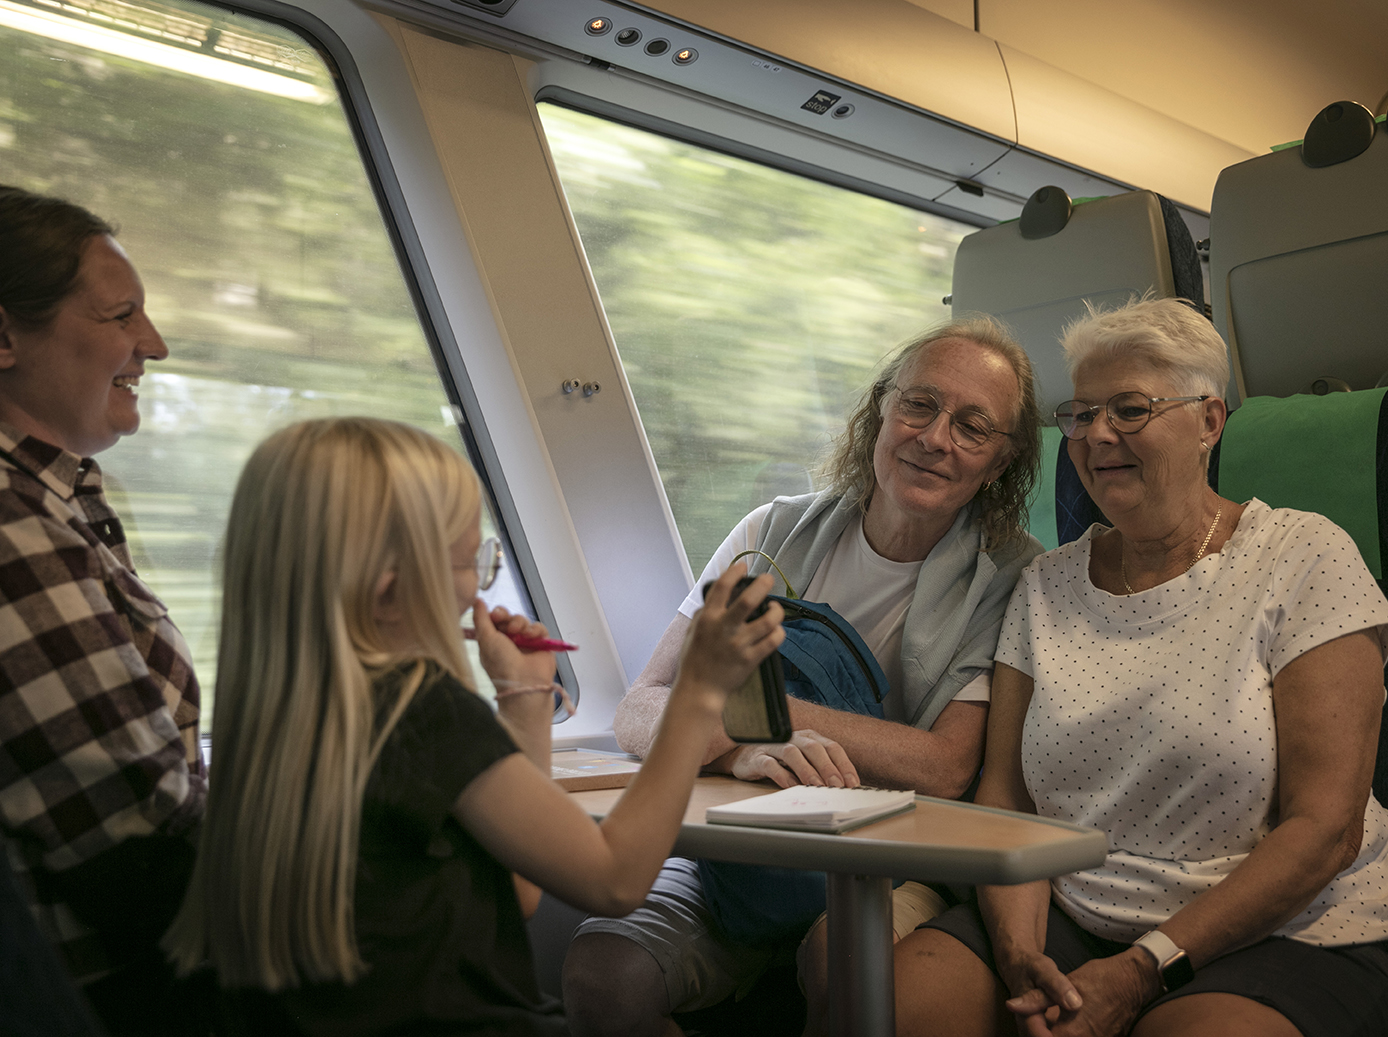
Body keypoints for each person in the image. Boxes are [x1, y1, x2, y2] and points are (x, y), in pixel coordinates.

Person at [895, 296, 1388, 1037]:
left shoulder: (1301, 557)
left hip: (1290, 927)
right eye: (1079, 415)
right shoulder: (1044, 583)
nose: (1095, 435)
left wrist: (1143, 968)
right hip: (1073, 914)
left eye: (1130, 409)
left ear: (1208, 421)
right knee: (892, 1001)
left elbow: (1323, 829)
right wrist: (1018, 955)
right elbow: (1005, 797)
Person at [161, 417, 784, 1035]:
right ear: (389, 590)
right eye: (472, 563)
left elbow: (519, 892)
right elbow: (616, 878)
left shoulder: (270, 722)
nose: (480, 590)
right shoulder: (424, 714)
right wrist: (698, 694)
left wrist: (523, 700)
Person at [565, 316, 1045, 1037]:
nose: (935, 437)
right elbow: (640, 707)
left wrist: (761, 717)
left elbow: (944, 767)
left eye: (972, 426)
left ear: (999, 462)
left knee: (841, 962)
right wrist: (740, 751)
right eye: (919, 404)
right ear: (880, 408)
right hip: (737, 850)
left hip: (893, 859)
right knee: (601, 973)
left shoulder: (1012, 576)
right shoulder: (769, 531)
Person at [0, 185, 205, 1034]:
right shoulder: (11, 525)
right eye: (122, 316)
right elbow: (135, 853)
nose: (152, 345)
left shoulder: (63, 497)